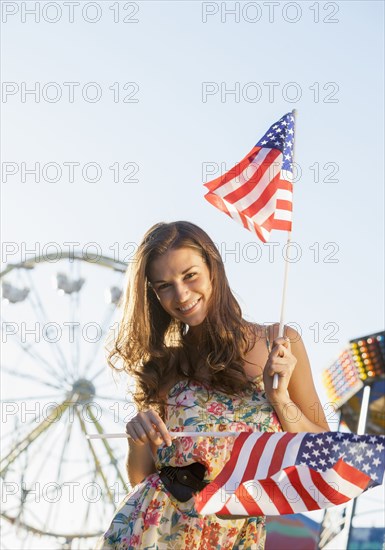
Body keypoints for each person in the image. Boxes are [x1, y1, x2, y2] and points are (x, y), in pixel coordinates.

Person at [96, 221, 329, 550]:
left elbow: (324, 453)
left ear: (213, 267)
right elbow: (140, 479)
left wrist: (280, 399)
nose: (181, 295)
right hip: (156, 529)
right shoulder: (163, 368)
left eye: (190, 275)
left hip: (238, 534)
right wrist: (137, 439)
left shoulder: (280, 343)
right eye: (164, 285)